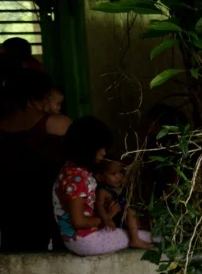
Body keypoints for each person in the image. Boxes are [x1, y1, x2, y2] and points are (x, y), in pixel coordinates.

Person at [53, 117, 151, 255]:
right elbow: (78, 221)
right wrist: (107, 217)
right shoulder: (77, 178)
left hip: (77, 239)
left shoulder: (69, 170)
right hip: (86, 240)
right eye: (101, 148)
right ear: (87, 147)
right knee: (149, 236)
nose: (104, 153)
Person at [0, 69, 71, 252]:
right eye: (47, 96)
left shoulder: (3, 125)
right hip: (51, 209)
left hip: (11, 211)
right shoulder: (56, 124)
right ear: (33, 99)